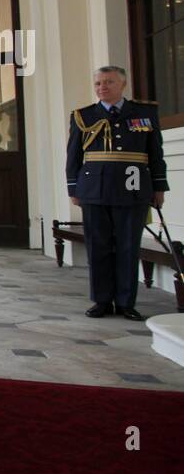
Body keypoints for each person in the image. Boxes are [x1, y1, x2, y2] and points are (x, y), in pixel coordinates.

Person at [66, 65, 169, 320]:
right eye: (98, 83)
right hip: (94, 189)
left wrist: (159, 187)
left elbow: (155, 153)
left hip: (133, 188)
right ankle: (102, 300)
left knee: (128, 246)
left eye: (109, 82)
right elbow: (74, 156)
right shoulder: (83, 116)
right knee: (98, 246)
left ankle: (125, 302)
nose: (102, 87)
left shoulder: (144, 113)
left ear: (122, 85)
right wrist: (73, 187)